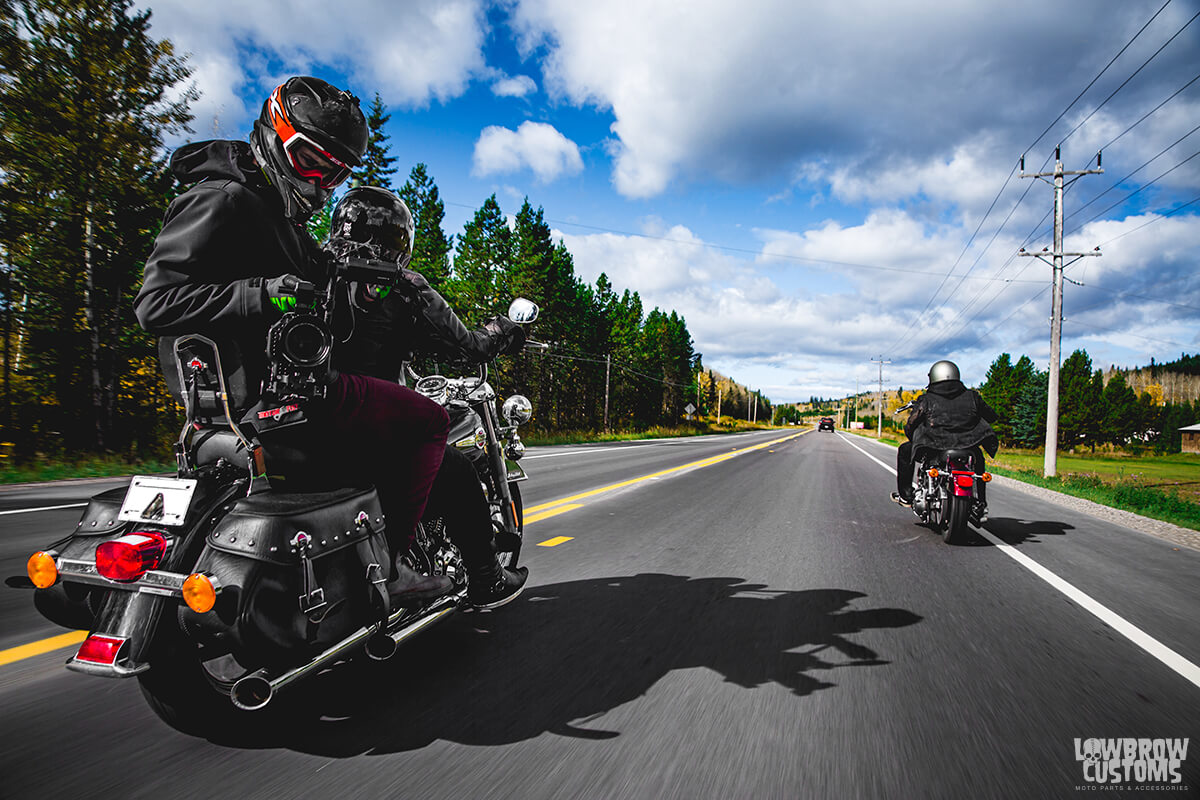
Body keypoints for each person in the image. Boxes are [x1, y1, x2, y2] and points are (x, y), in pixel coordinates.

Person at [133, 76, 452, 602]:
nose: (320, 184)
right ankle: (393, 567)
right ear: (273, 133)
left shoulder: (273, 212)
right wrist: (261, 294)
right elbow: (155, 303)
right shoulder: (224, 198)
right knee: (431, 420)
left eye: (335, 175)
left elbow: (315, 286)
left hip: (280, 390)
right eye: (310, 162)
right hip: (285, 397)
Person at [326, 186, 529, 608]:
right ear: (401, 243)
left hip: (313, 424)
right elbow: (469, 346)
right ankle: (484, 576)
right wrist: (503, 331)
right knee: (458, 473)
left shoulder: (316, 271)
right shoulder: (402, 288)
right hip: (371, 428)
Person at [891, 360, 998, 522]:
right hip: (968, 445)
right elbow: (992, 416)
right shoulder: (973, 397)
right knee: (978, 460)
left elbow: (912, 424)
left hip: (934, 446)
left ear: (933, 377)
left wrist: (912, 435)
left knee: (905, 450)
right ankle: (980, 503)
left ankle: (906, 496)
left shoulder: (926, 399)